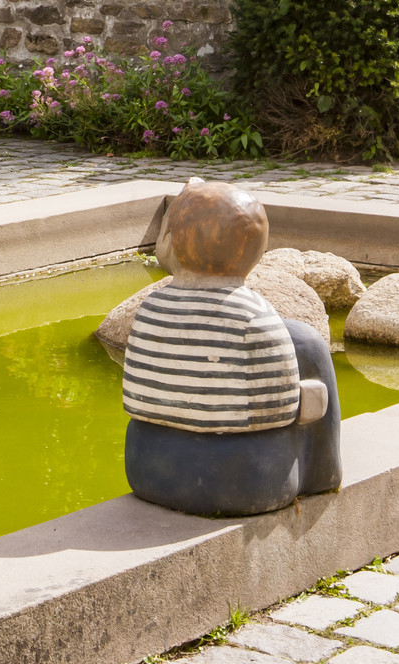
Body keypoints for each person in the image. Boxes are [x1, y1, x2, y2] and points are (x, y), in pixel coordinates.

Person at [121, 178, 341, 517]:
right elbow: (286, 412)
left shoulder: (151, 309)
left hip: (148, 468)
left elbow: (138, 400)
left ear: (171, 243)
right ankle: (325, 474)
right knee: (309, 345)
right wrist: (307, 395)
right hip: (243, 482)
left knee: (299, 341)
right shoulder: (256, 317)